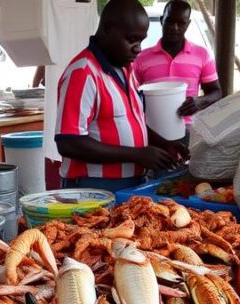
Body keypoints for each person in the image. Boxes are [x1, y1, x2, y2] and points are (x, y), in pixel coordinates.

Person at [56, 0, 187, 192]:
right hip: (92, 189)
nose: (138, 48)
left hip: (130, 185)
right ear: (107, 28)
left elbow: (130, 122)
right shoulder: (83, 73)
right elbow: (69, 143)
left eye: (141, 41)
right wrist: (136, 155)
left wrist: (164, 144)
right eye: (132, 39)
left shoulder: (126, 69)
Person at [134, 0, 221, 117]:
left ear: (188, 24)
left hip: (191, 127)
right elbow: (132, 95)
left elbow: (216, 93)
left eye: (181, 23)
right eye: (170, 21)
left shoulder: (202, 55)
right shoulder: (141, 58)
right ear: (162, 20)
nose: (175, 28)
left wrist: (199, 102)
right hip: (151, 127)